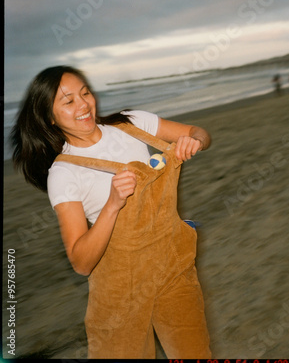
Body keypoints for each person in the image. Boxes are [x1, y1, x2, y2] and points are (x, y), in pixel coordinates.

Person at [11, 65, 212, 359]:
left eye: (85, 92)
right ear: (51, 119)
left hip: (173, 268)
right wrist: (113, 203)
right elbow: (81, 261)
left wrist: (193, 141)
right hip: (121, 291)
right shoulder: (64, 173)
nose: (83, 104)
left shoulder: (131, 123)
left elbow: (200, 133)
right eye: (68, 101)